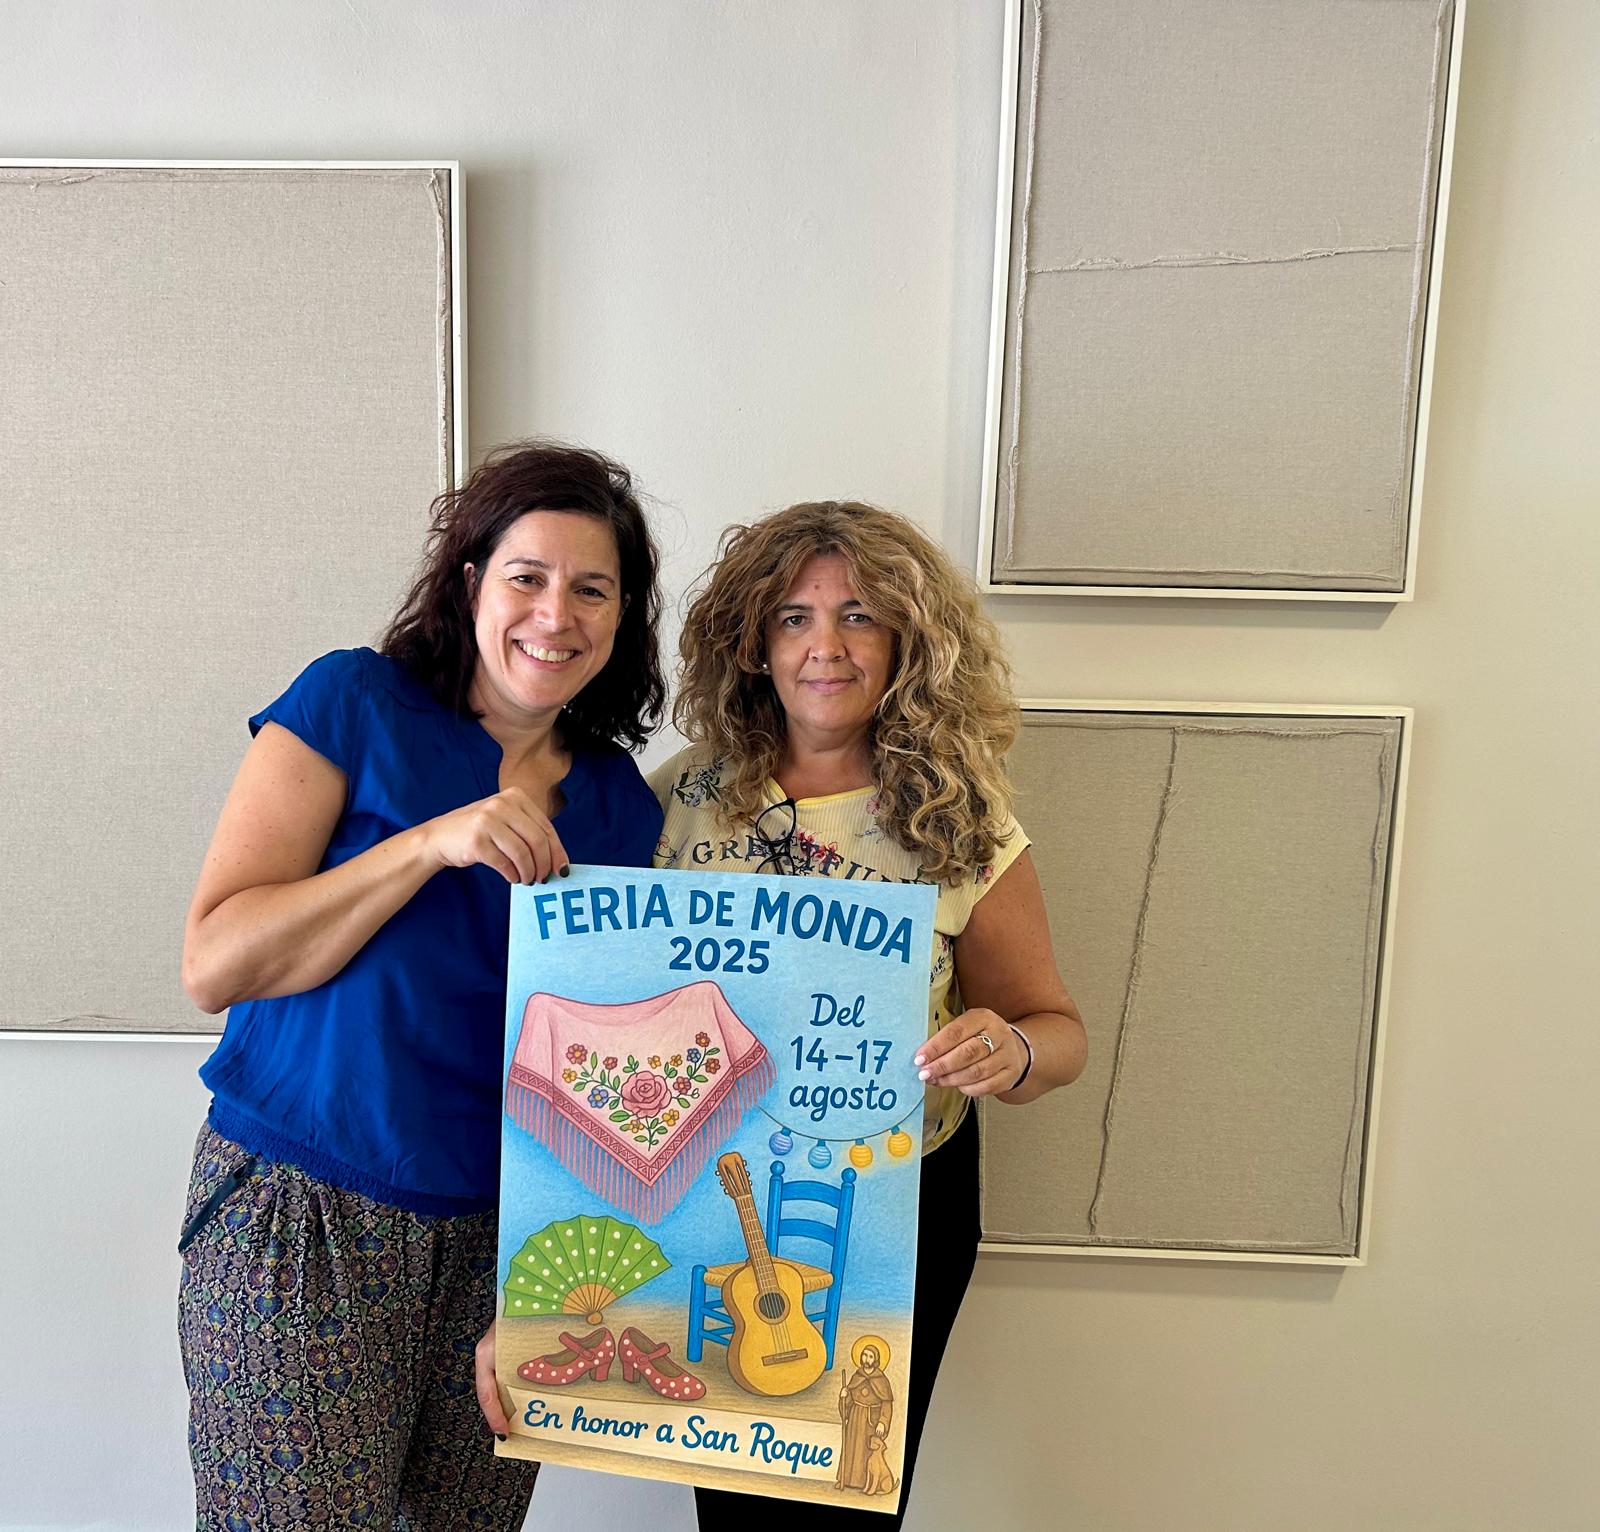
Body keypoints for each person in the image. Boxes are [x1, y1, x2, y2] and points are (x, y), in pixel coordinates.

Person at [177, 440, 666, 1531]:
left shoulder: (622, 808)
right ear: (470, 582)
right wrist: (430, 843)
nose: (556, 614)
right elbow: (216, 963)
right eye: (527, 576)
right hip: (304, 1213)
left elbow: (599, 1085)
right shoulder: (352, 701)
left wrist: (546, 1288)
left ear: (623, 616)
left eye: (593, 589)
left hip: (504, 1250)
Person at [649, 500, 1087, 1532]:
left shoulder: (959, 816)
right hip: (719, 1185)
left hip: (899, 1194)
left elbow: (1055, 1028)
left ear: (908, 640)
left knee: (849, 1483)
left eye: (859, 616)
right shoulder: (683, 793)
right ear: (754, 641)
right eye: (794, 617)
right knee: (734, 1490)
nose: (827, 646)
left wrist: (1012, 1048)